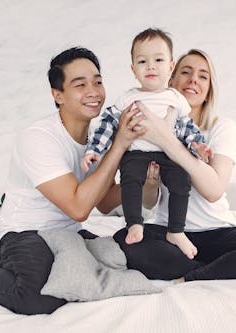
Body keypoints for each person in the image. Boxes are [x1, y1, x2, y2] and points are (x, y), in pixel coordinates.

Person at [0, 47, 147, 315]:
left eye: (98, 82)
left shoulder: (99, 138)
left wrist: (147, 180)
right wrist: (120, 146)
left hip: (71, 234)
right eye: (80, 84)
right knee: (35, 298)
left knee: (139, 260)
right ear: (58, 95)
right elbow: (78, 208)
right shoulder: (38, 138)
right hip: (27, 233)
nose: (93, 91)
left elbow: (103, 202)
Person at [113, 49, 236, 282]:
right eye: (186, 72)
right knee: (124, 239)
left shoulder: (221, 127)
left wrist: (166, 140)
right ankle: (222, 267)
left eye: (203, 76)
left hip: (216, 232)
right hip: (168, 232)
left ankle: (197, 273)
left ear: (209, 88)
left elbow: (213, 191)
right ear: (171, 79)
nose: (193, 80)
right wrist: (150, 184)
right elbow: (149, 202)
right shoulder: (148, 125)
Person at [82, 28, 211, 259]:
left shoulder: (175, 99)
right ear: (134, 70)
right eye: (142, 61)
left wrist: (198, 146)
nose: (151, 66)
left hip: (169, 155)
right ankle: (134, 223)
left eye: (158, 60)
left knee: (182, 181)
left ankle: (176, 230)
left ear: (170, 67)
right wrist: (94, 150)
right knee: (130, 180)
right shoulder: (128, 98)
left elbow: (186, 128)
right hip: (137, 153)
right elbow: (108, 124)